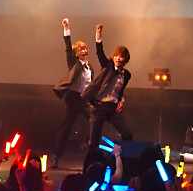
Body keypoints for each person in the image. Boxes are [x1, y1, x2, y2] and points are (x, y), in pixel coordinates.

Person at [81, 24, 133, 149]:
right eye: (116, 56)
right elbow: (100, 53)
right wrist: (98, 33)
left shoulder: (126, 75)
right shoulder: (108, 66)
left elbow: (120, 90)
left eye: (121, 56)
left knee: (127, 134)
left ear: (125, 59)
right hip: (99, 107)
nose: (118, 58)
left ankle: (124, 156)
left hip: (112, 109)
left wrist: (121, 100)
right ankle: (90, 158)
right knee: (94, 141)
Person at [51, 18, 94, 168]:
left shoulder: (90, 67)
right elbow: (68, 48)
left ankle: (86, 144)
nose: (83, 51)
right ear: (76, 54)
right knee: (66, 128)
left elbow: (91, 86)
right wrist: (66, 29)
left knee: (96, 119)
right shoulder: (74, 64)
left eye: (85, 49)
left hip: (85, 99)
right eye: (80, 50)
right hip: (73, 98)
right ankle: (56, 156)